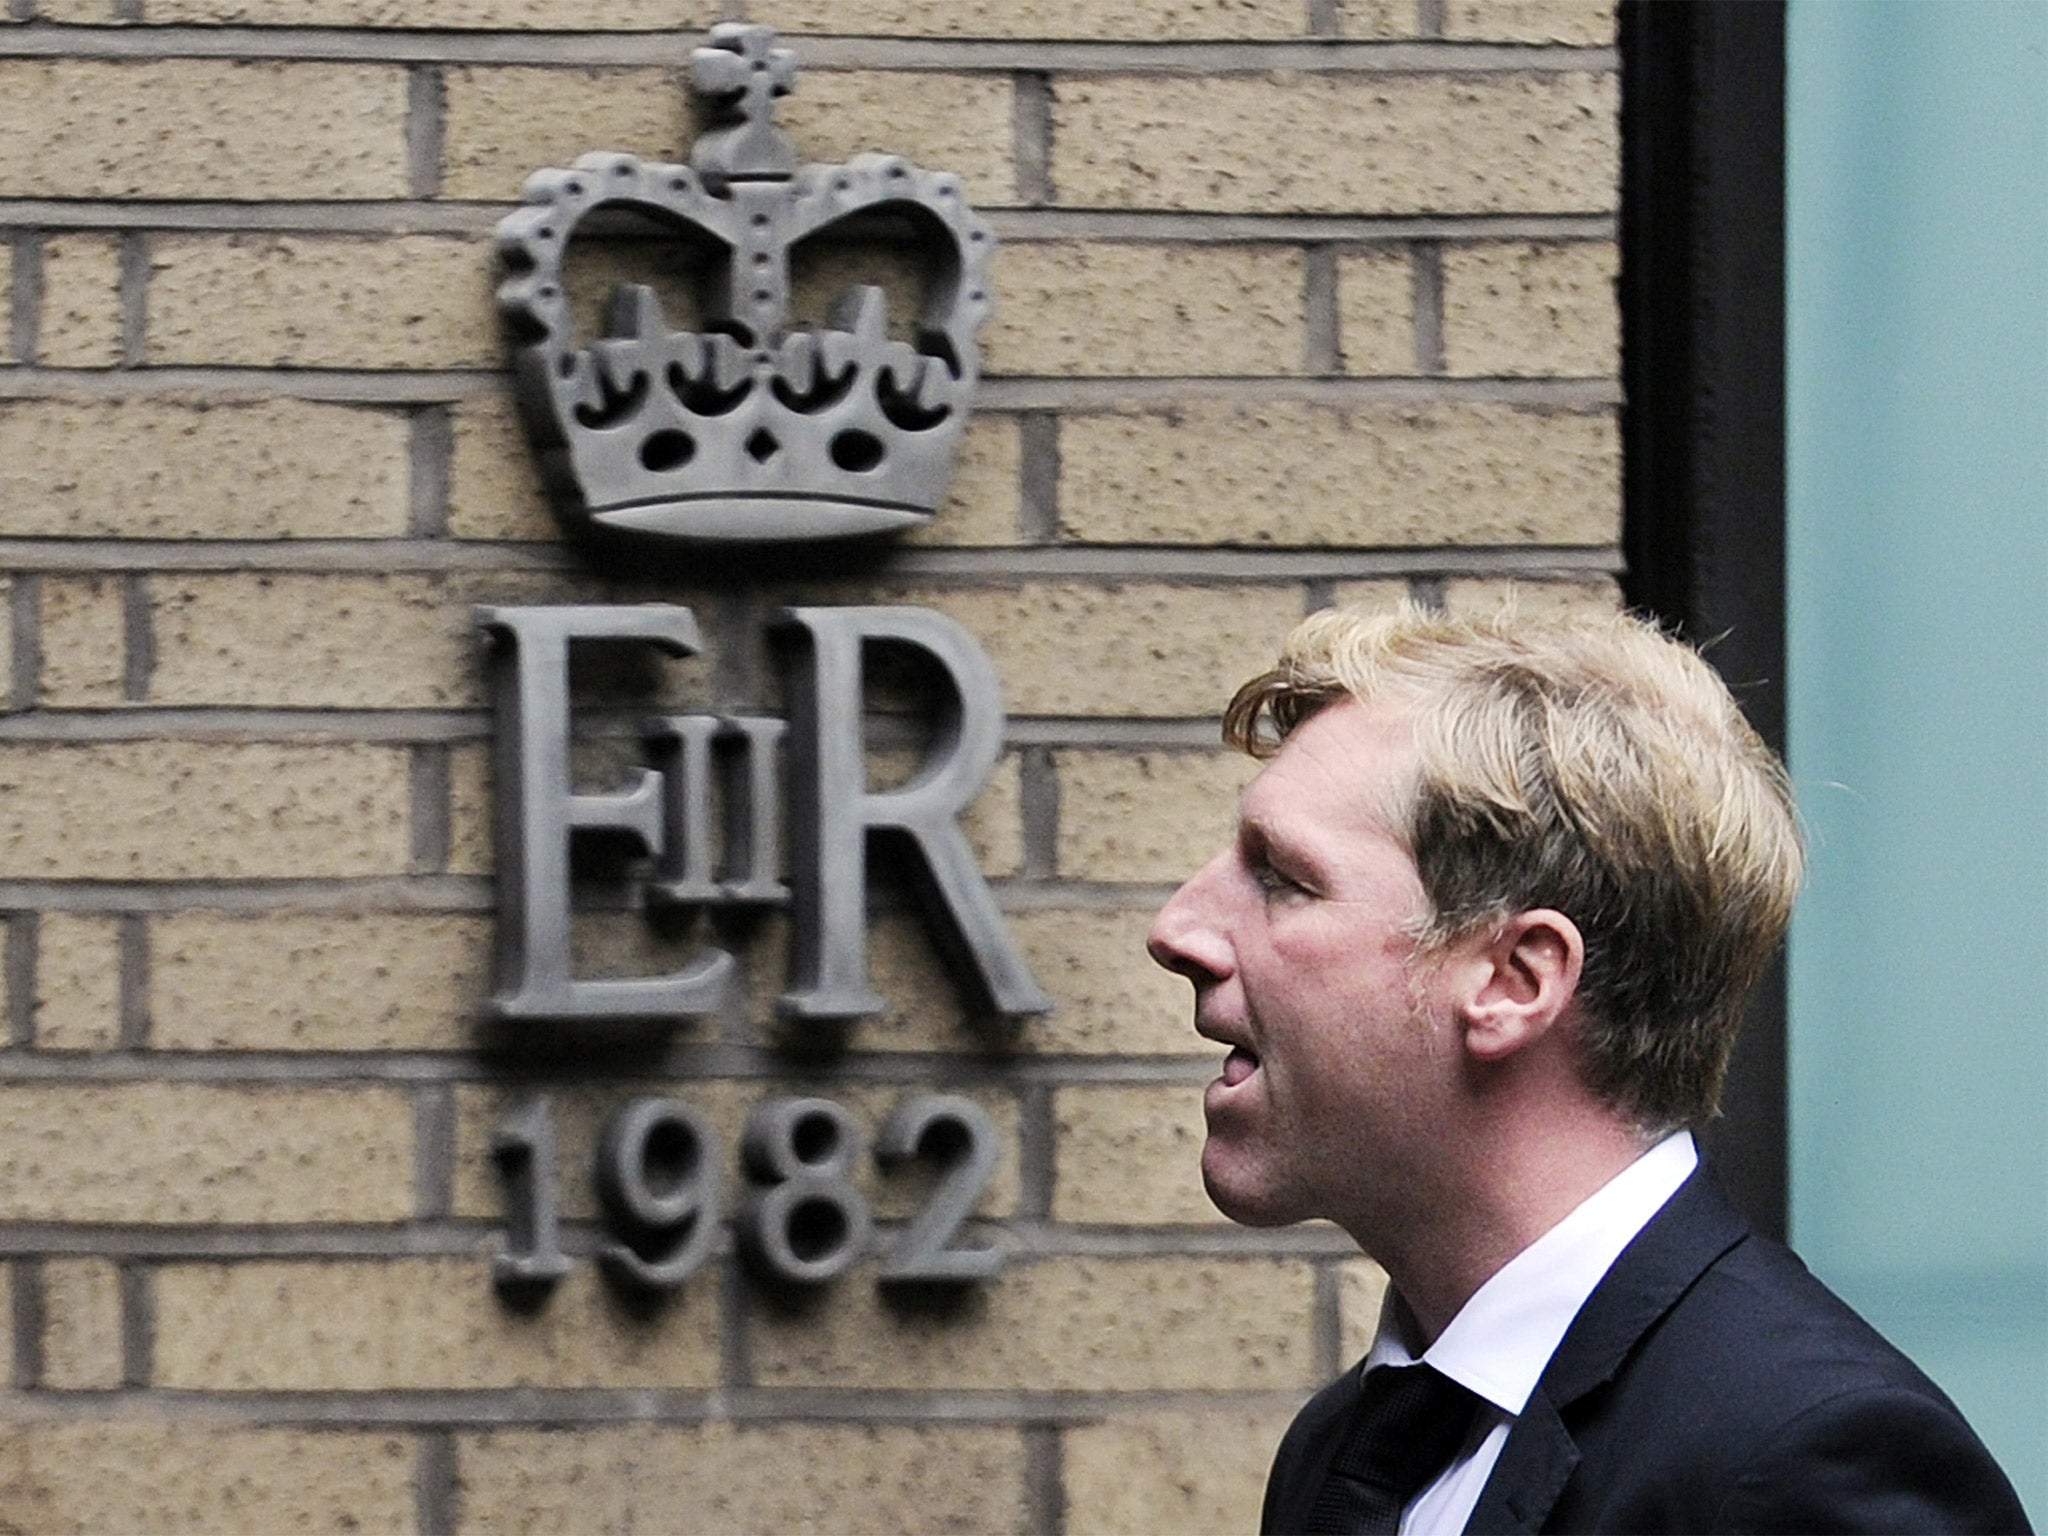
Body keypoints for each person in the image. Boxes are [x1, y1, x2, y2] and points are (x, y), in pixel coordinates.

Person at [1147, 602, 2029, 1535]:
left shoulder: (1804, 1462)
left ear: (1514, 980)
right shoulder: (1348, 1448)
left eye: (1283, 877)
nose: (1178, 930)